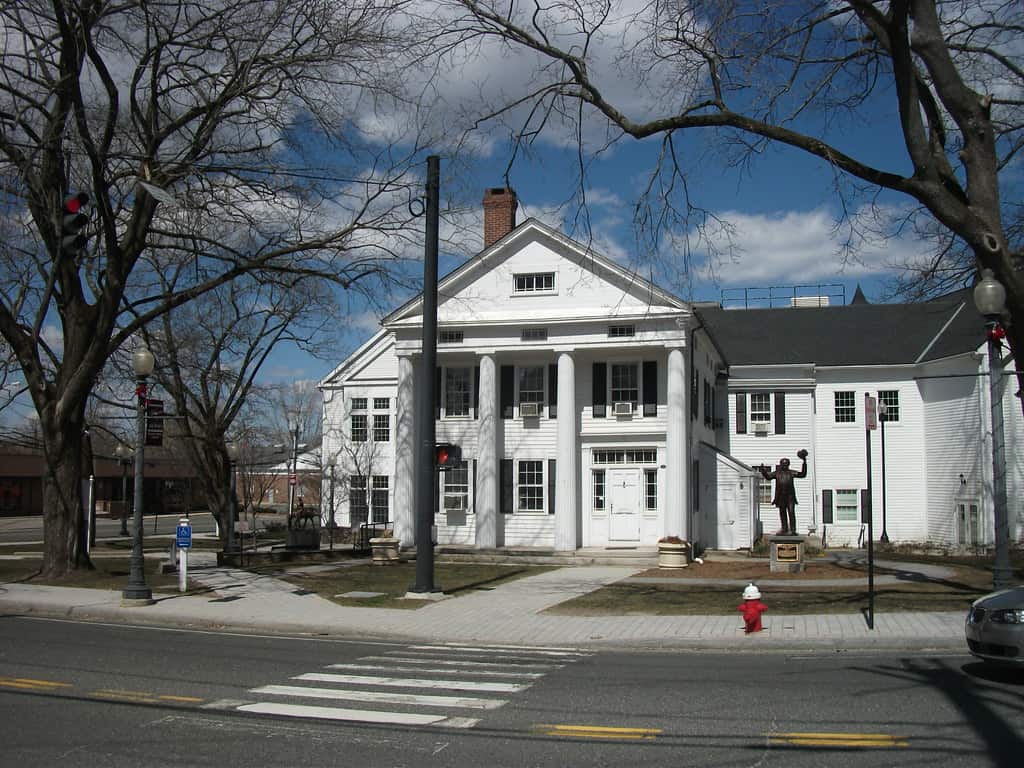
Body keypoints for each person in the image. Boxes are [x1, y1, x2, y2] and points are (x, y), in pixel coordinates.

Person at [758, 449, 808, 535]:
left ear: (788, 465)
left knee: (791, 512)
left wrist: (804, 462)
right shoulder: (777, 473)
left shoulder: (791, 473)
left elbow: (803, 474)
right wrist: (763, 471)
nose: (784, 466)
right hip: (781, 497)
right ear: (780, 464)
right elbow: (768, 477)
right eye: (783, 464)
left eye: (786, 464)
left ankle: (793, 530)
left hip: (790, 497)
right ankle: (784, 529)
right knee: (782, 513)